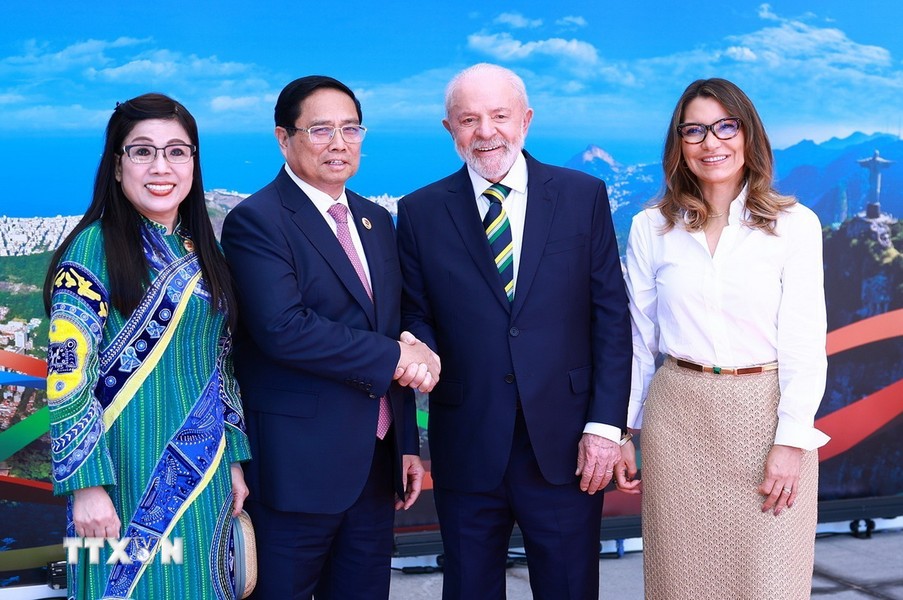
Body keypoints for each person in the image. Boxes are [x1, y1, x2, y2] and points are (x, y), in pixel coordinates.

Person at [397, 63, 633, 599]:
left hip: (570, 442)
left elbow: (611, 318)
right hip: (468, 438)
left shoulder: (582, 196)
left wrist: (605, 427)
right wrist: (417, 345)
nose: (486, 132)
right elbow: (416, 314)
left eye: (500, 116)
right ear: (449, 129)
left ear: (525, 120)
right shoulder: (419, 212)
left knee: (570, 586)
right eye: (469, 119)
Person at [220, 75, 437, 600]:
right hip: (296, 469)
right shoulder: (257, 220)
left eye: (351, 128)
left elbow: (398, 319)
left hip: (375, 462)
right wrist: (396, 357)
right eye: (320, 130)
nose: (339, 143)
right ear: (283, 138)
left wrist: (406, 441)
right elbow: (283, 328)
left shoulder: (375, 219)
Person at [618, 78, 829, 599]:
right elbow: (638, 342)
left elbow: (806, 342)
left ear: (748, 134)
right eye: (694, 131)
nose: (711, 143)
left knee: (770, 584)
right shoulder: (650, 228)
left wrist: (790, 442)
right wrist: (624, 429)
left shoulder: (795, 225)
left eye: (724, 126)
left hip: (766, 419)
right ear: (679, 145)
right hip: (678, 425)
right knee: (681, 584)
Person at [43, 93, 251, 599]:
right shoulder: (91, 248)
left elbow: (219, 364)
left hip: (203, 478)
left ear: (194, 164)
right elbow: (68, 374)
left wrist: (234, 459)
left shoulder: (206, 251)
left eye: (177, 151)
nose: (162, 166)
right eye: (143, 151)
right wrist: (85, 486)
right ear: (117, 167)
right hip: (118, 477)